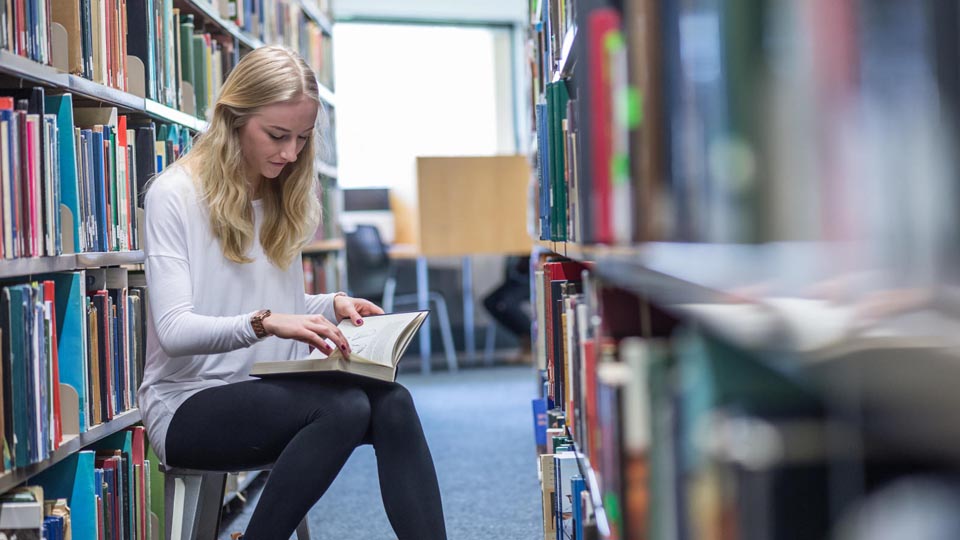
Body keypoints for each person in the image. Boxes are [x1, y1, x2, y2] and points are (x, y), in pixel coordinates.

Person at [137, 46, 447, 539]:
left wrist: (330, 305)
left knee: (393, 403)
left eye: (302, 139)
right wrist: (265, 322)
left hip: (269, 385)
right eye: (277, 136)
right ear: (233, 119)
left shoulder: (280, 191)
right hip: (188, 403)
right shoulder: (174, 195)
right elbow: (175, 330)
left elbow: (268, 303)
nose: (290, 153)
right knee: (343, 408)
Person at [482, 254, 532, 361]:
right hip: (515, 279)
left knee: (506, 303)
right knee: (490, 302)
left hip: (530, 278)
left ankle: (531, 339)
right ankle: (526, 338)